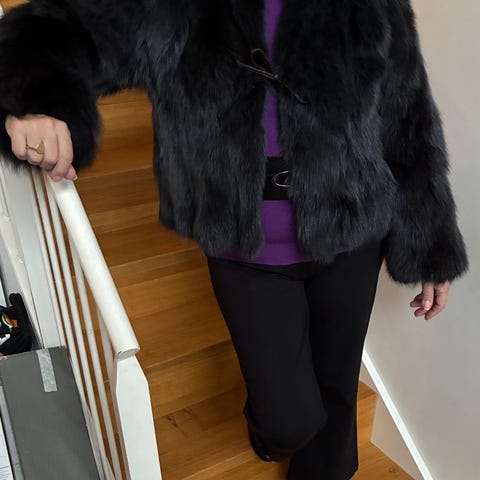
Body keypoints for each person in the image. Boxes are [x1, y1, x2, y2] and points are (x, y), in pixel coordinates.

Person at [0, 0, 469, 479]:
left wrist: (431, 246)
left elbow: (409, 123)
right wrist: (30, 102)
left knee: (337, 390)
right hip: (245, 247)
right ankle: (272, 431)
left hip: (353, 236)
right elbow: (60, 33)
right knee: (287, 421)